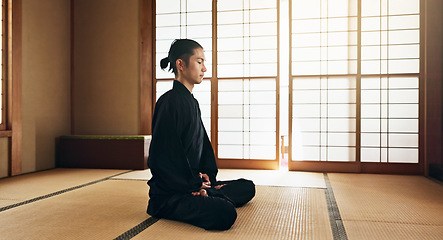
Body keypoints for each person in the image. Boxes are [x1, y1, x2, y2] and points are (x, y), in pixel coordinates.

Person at [147, 39, 255, 231]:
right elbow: (163, 158)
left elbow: (203, 144)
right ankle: (209, 194)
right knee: (225, 212)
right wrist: (193, 184)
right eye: (199, 62)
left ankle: (209, 192)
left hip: (193, 182)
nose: (204, 68)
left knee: (248, 186)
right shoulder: (168, 103)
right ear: (181, 64)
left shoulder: (192, 103)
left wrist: (206, 176)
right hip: (171, 193)